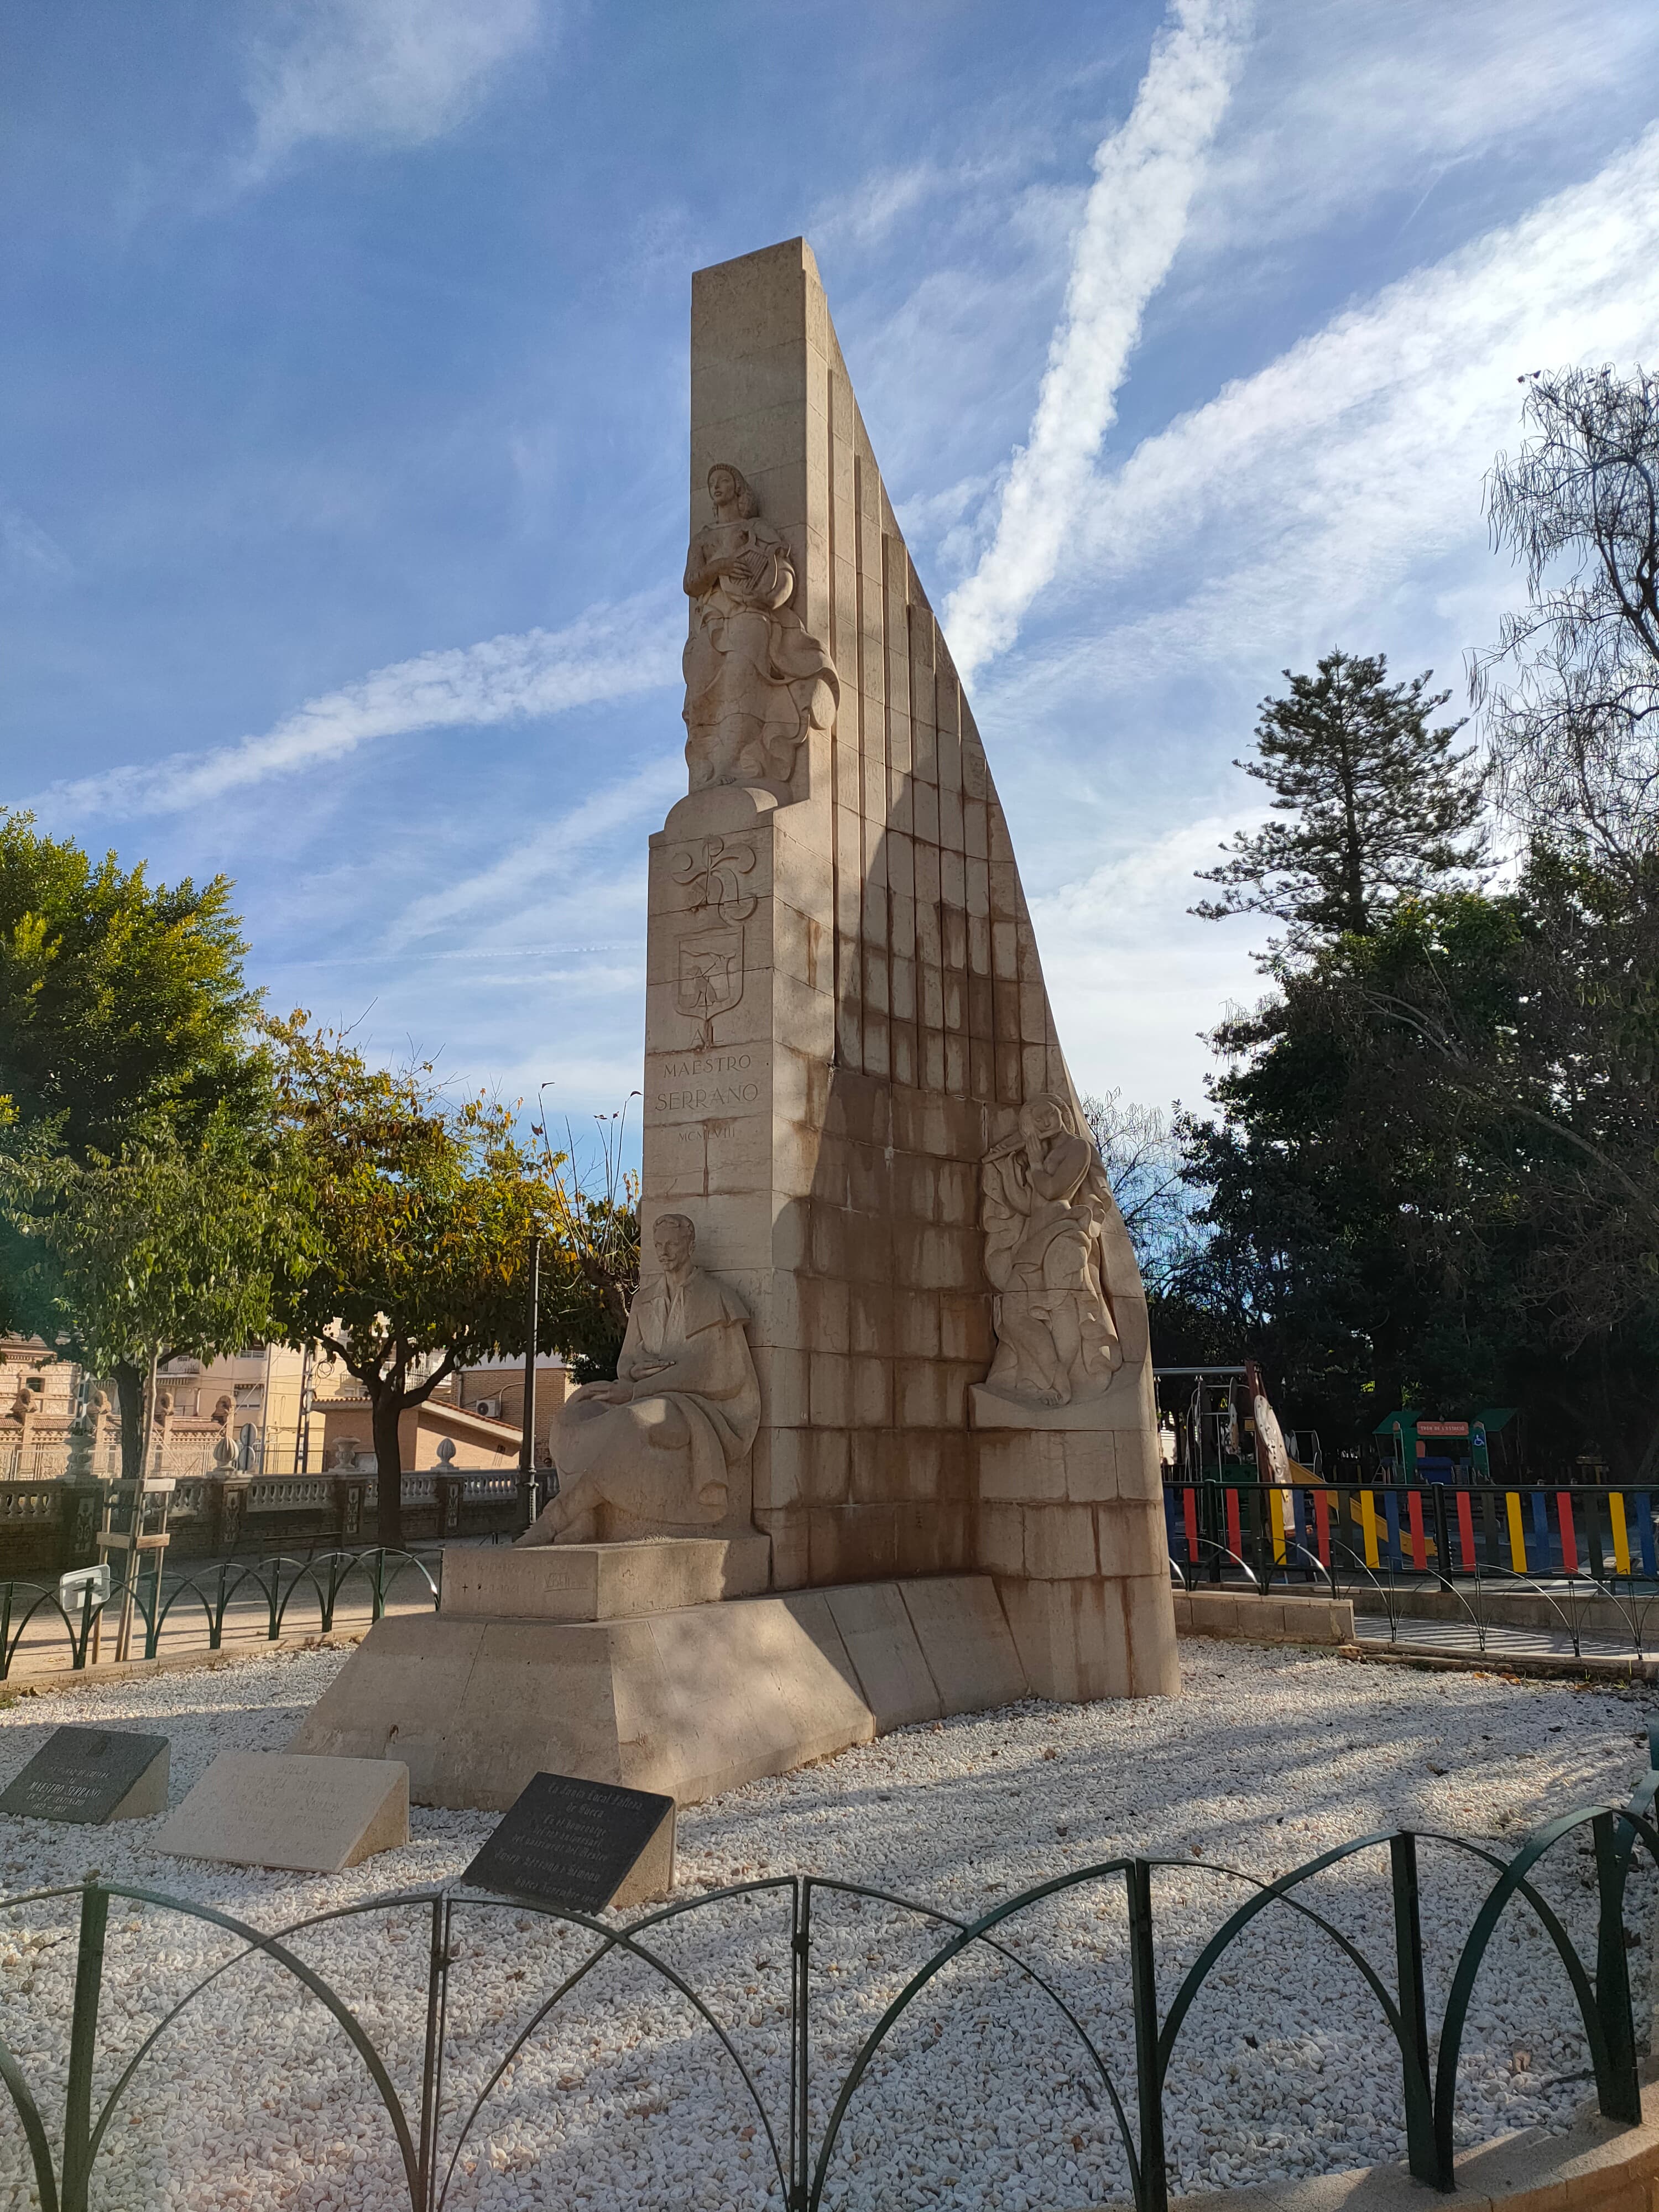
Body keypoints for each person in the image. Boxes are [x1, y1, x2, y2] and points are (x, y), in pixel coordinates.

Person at [518, 1213, 760, 1544]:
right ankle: (585, 1519)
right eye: (658, 1245)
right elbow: (627, 1362)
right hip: (646, 1393)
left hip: (703, 1407)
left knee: (629, 1421)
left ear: (691, 1246)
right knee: (575, 1414)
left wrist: (636, 1390)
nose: (664, 1252)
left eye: (672, 1244)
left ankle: (556, 1517)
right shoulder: (643, 1300)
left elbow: (717, 1372)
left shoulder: (717, 1298)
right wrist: (635, 1371)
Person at [681, 462, 838, 787]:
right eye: (712, 483)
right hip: (711, 622)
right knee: (701, 697)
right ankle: (708, 765)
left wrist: (766, 600)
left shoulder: (757, 530)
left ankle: (733, 765)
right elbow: (691, 583)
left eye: (724, 480)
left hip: (750, 618)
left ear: (738, 488)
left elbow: (784, 576)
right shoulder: (704, 539)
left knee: (741, 686)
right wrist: (720, 566)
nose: (717, 487)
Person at [980, 1094, 1123, 1406]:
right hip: (1034, 1238)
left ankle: (1064, 1386)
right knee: (1014, 1313)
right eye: (1037, 1120)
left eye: (1049, 1114)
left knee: (1062, 1310)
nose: (1044, 1122)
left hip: (1062, 1232)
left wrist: (1033, 1161)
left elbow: (1052, 1190)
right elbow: (1027, 1204)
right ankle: (1050, 1377)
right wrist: (1006, 1171)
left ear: (1062, 1113)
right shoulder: (1043, 1152)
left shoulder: (1078, 1148)